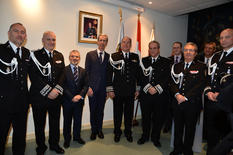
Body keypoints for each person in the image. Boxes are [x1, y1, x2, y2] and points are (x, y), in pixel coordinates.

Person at [29, 31, 65, 155]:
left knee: (55, 123)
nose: (51, 42)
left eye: (53, 40)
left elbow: (62, 76)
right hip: (39, 97)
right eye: (48, 39)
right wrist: (48, 91)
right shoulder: (35, 55)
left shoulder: (59, 55)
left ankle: (54, 144)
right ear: (43, 40)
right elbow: (34, 76)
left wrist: (56, 90)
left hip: (56, 97)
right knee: (39, 124)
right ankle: (41, 147)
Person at [170, 42, 206, 155]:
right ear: (183, 52)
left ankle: (187, 150)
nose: (188, 52)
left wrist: (185, 97)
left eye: (191, 50)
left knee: (190, 129)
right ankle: (177, 149)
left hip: (192, 104)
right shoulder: (176, 66)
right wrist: (177, 95)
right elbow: (172, 83)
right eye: (186, 50)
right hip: (177, 102)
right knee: (178, 128)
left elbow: (201, 85)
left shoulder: (201, 66)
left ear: (195, 53)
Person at [0, 23, 30, 155]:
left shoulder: (27, 53)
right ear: (9, 33)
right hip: (3, 104)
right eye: (16, 31)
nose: (20, 34)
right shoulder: (1, 49)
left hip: (22, 104)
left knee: (20, 137)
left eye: (22, 32)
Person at [107, 36, 141, 143]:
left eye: (128, 43)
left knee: (128, 114)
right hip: (117, 91)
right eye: (124, 42)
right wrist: (110, 90)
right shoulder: (114, 56)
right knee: (117, 114)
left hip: (130, 91)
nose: (126, 44)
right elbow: (108, 74)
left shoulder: (135, 56)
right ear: (120, 44)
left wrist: (137, 89)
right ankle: (117, 132)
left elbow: (138, 74)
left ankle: (128, 132)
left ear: (130, 45)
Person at [205, 28, 233, 154]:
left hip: (228, 103)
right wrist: (208, 91)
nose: (223, 40)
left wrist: (221, 94)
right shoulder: (215, 56)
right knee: (212, 134)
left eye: (226, 37)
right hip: (212, 101)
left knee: (227, 137)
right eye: (221, 37)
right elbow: (208, 77)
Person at [137, 41, 171, 148]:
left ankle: (156, 137)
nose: (152, 50)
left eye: (155, 48)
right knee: (145, 117)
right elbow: (140, 76)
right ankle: (145, 136)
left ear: (159, 49)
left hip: (160, 95)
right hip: (146, 95)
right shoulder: (143, 61)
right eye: (150, 48)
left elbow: (167, 77)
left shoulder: (166, 61)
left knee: (158, 118)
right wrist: (148, 87)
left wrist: (156, 88)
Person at [62, 50, 88, 148]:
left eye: (77, 57)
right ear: (69, 58)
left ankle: (77, 137)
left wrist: (80, 95)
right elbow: (63, 86)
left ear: (79, 58)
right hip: (67, 101)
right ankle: (67, 139)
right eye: (73, 56)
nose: (75, 58)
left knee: (78, 120)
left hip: (79, 101)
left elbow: (86, 85)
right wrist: (71, 97)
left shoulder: (83, 71)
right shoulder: (64, 70)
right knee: (67, 121)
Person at [85, 34, 110, 140]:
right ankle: (93, 130)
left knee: (100, 110)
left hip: (103, 89)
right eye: (100, 40)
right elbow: (87, 72)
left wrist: (108, 90)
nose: (102, 42)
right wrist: (88, 87)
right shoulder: (90, 54)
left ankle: (99, 129)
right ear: (97, 41)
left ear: (106, 42)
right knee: (93, 110)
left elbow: (109, 74)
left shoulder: (109, 56)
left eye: (104, 41)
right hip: (92, 89)